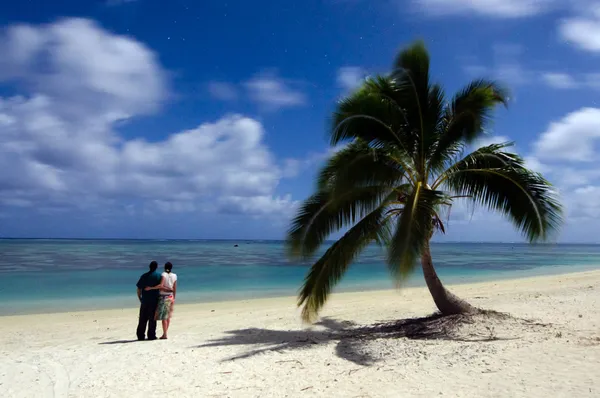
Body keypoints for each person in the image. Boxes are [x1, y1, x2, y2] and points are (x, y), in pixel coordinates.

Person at [146, 261, 177, 339]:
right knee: (168, 317)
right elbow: (174, 288)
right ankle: (165, 333)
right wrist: (174, 296)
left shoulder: (163, 274)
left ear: (164, 267)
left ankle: (165, 334)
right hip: (171, 297)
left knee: (164, 317)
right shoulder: (174, 275)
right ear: (171, 268)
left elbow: (161, 285)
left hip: (164, 297)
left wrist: (150, 288)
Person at [135, 261, 162, 341]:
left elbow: (139, 288)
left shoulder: (144, 276)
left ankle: (140, 336)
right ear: (156, 267)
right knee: (152, 319)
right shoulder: (158, 276)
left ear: (149, 267)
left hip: (145, 300)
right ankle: (151, 335)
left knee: (142, 318)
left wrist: (139, 297)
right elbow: (161, 286)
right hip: (154, 300)